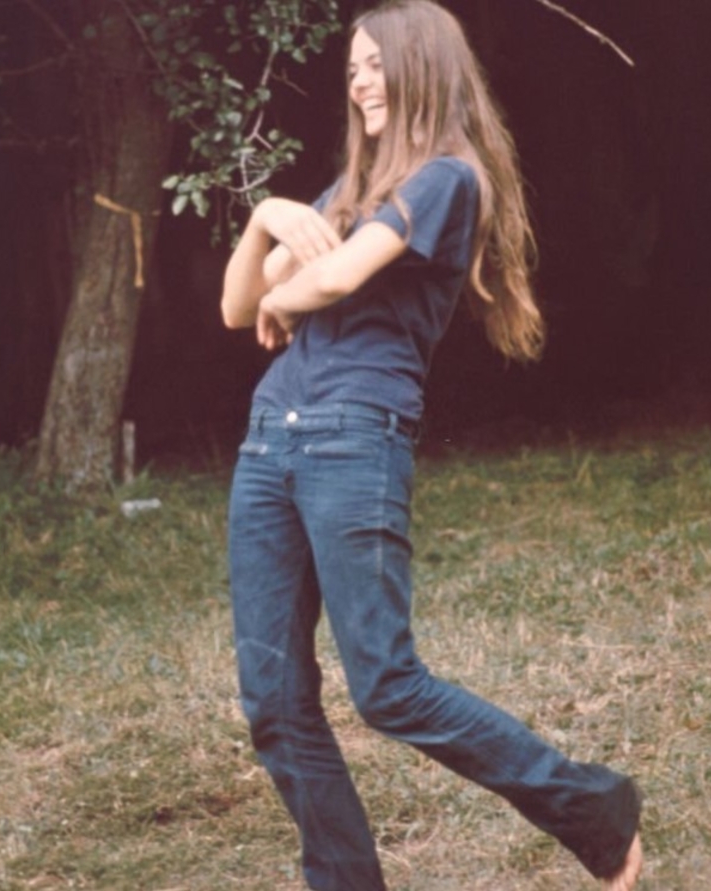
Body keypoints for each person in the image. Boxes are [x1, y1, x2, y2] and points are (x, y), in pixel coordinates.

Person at [220, 2, 643, 889]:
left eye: (376, 64)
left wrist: (291, 287)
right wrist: (265, 218)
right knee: (273, 702)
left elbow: (328, 277)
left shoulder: (447, 181)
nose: (361, 82)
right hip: (269, 447)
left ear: (422, 70)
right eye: (353, 69)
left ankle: (593, 808)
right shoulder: (345, 194)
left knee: (387, 686)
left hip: (350, 446)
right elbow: (235, 306)